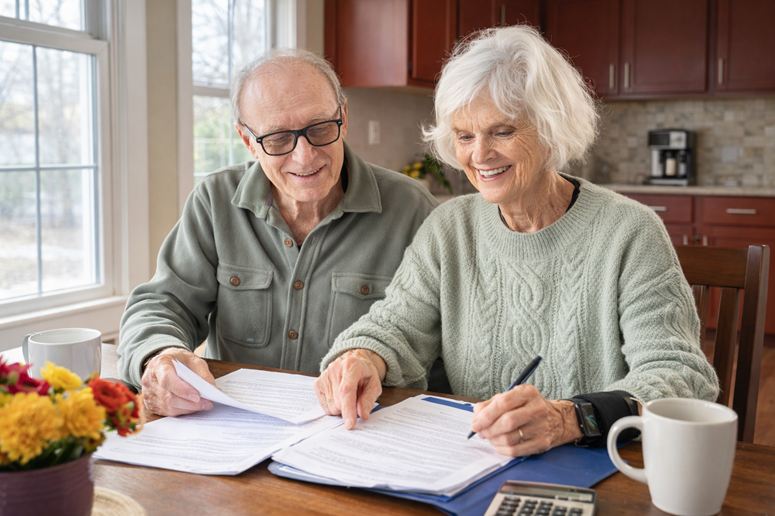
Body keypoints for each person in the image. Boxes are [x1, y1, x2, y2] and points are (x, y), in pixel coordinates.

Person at [314, 26, 719, 457]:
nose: (479, 155)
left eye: (502, 131)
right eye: (465, 136)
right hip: (473, 460)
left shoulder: (630, 231)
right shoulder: (449, 227)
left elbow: (680, 376)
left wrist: (569, 419)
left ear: (550, 128)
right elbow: (395, 327)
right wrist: (363, 358)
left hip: (599, 463)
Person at [117, 48, 439, 417]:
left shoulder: (412, 209)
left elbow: (435, 337)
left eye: (320, 128)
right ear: (248, 141)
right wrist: (160, 355)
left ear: (344, 117)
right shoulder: (215, 200)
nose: (305, 156)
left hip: (361, 425)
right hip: (235, 429)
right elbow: (162, 303)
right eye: (278, 139)